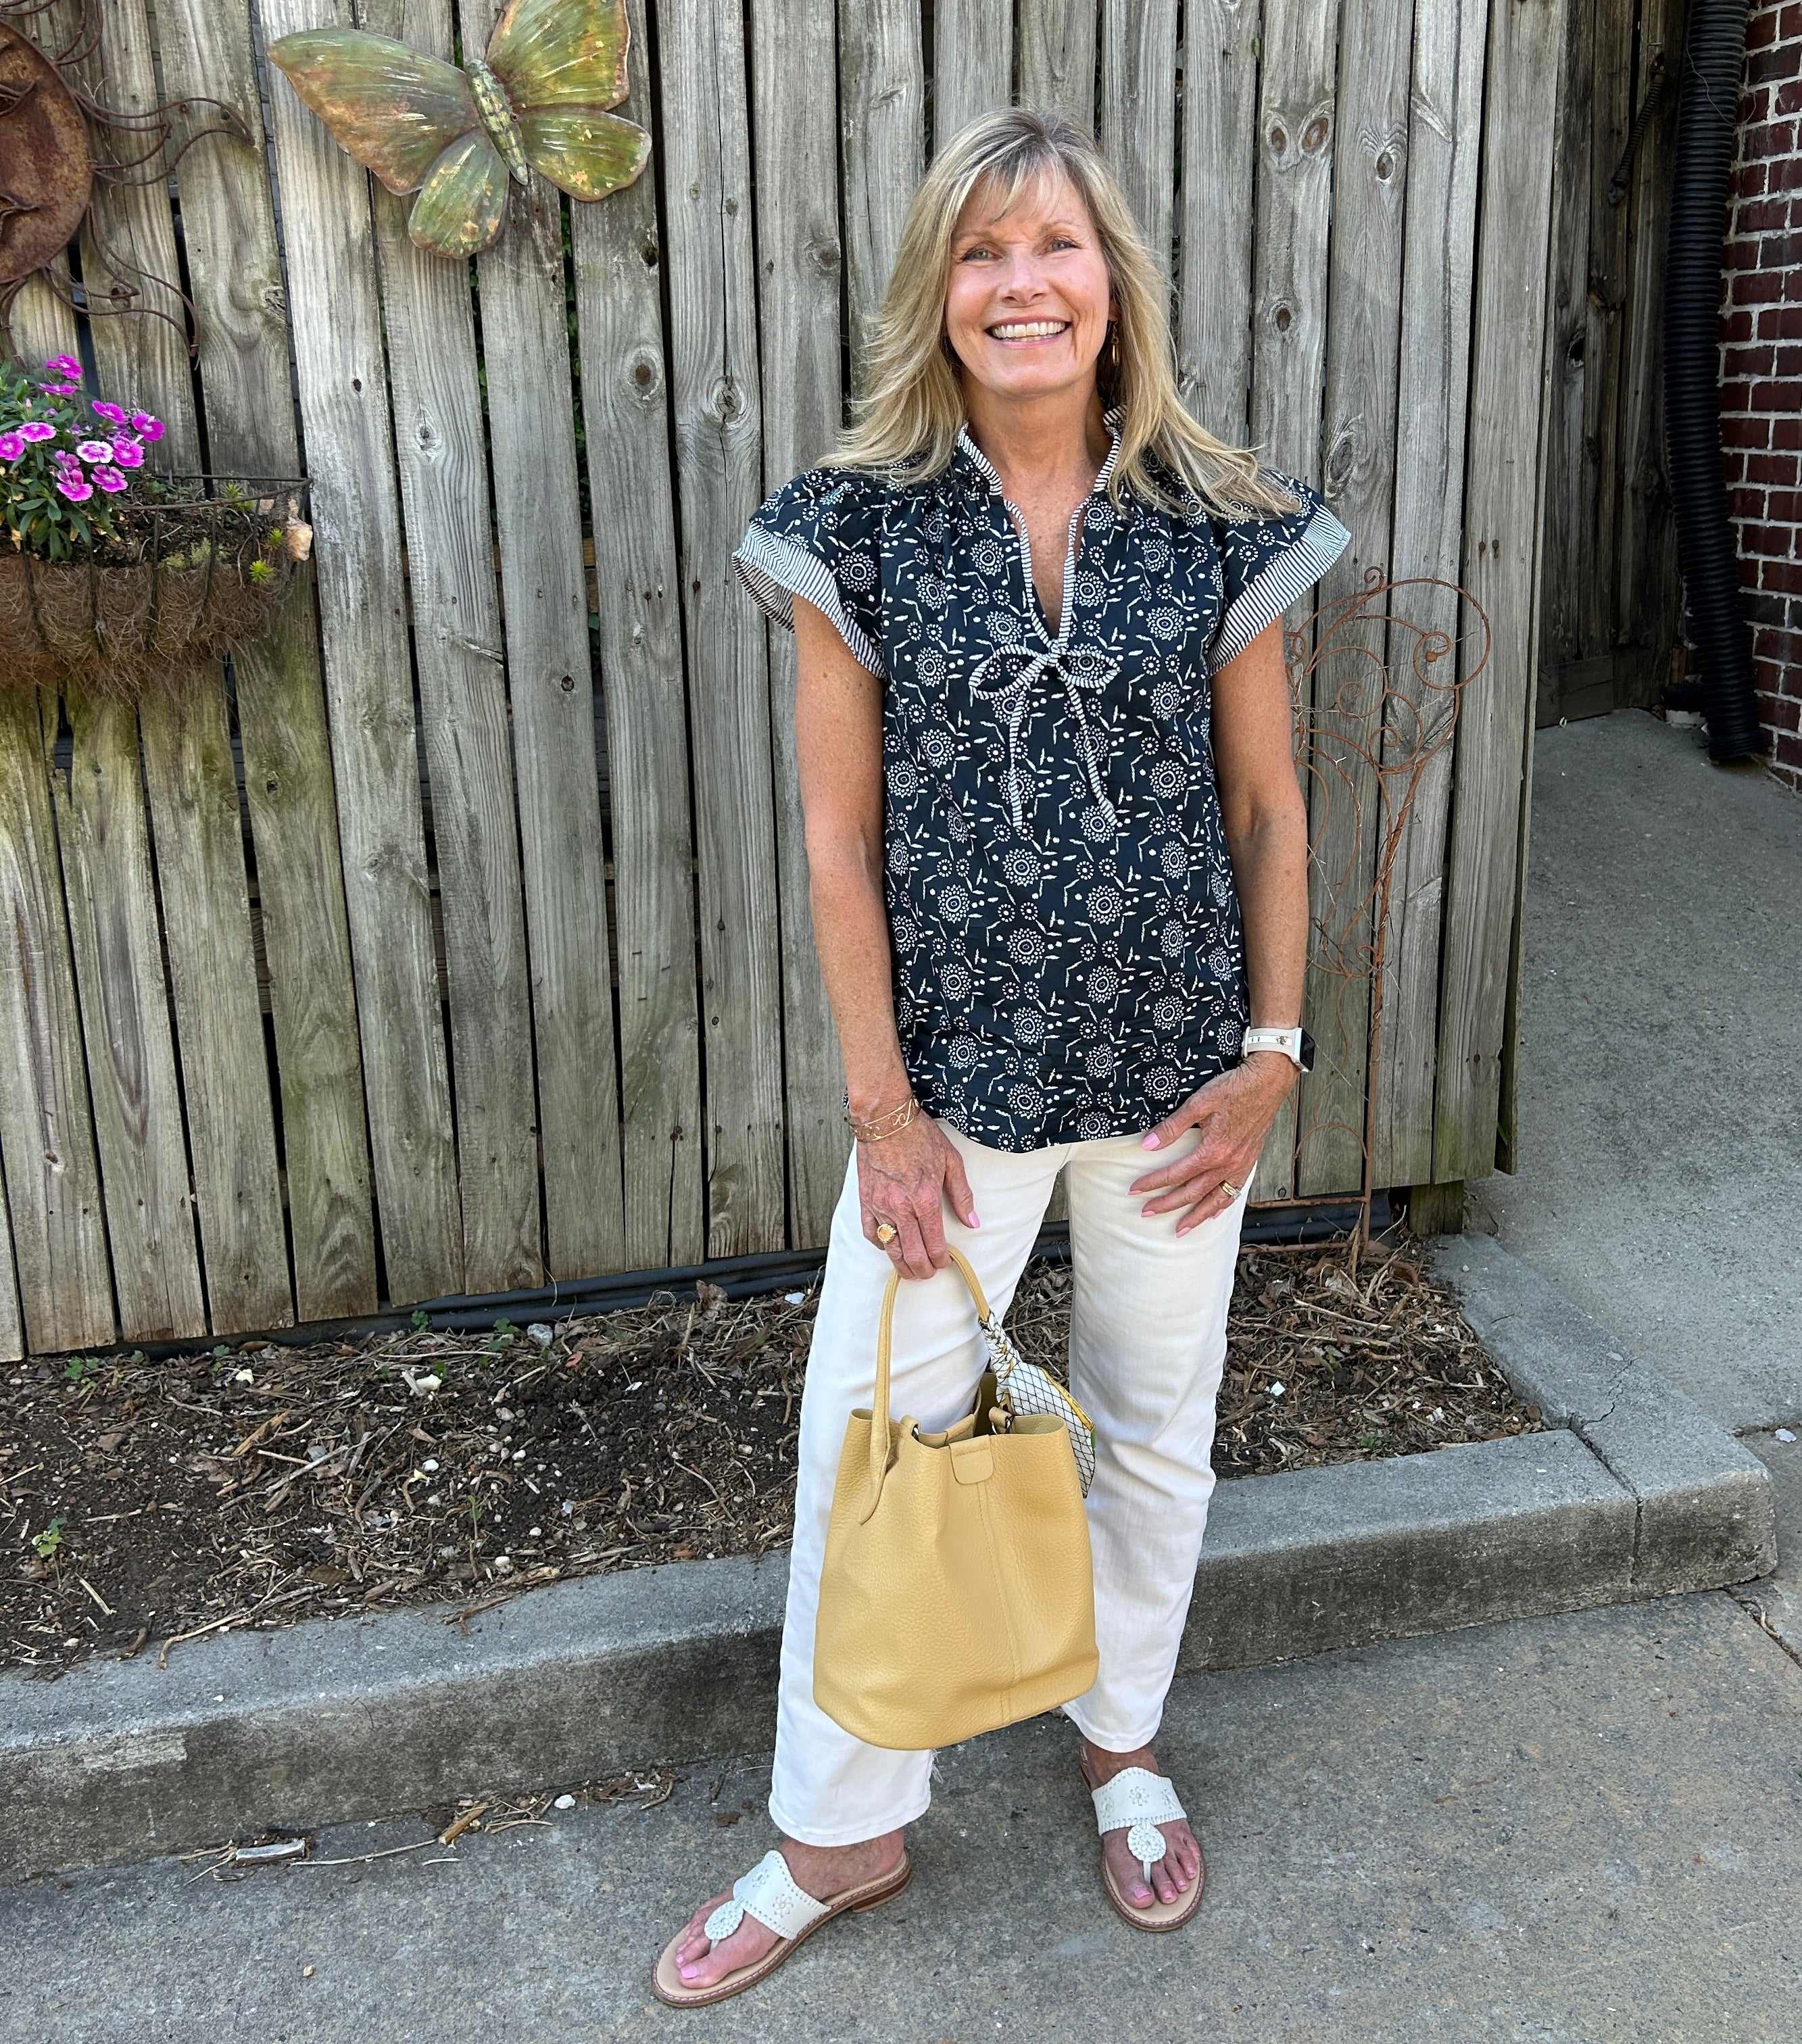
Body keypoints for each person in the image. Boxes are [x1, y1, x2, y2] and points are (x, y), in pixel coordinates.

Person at [652, 103, 1348, 2008]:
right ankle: (839, 1829)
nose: (1021, 284)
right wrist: (882, 1111)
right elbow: (837, 840)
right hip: (950, 1105)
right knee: (869, 1442)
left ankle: (1122, 1744)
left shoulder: (1215, 516)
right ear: (937, 292)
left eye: (1055, 247)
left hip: (1181, 1090)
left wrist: (1272, 1053)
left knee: (1153, 1424)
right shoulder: (855, 526)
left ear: (1111, 283)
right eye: (981, 252)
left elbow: (1270, 808)